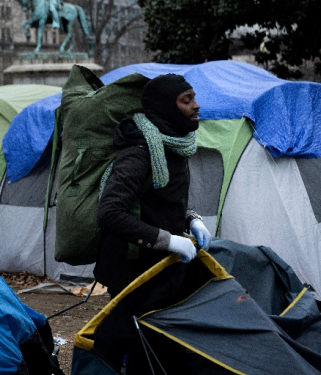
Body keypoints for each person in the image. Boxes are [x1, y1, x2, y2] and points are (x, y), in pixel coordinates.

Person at [93, 73, 213, 373]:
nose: (196, 106)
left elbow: (160, 199)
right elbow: (109, 212)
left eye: (194, 98)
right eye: (186, 101)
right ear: (165, 107)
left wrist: (191, 219)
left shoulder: (173, 143)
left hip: (158, 267)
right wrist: (169, 240)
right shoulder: (139, 150)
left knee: (158, 346)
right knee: (135, 348)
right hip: (131, 269)